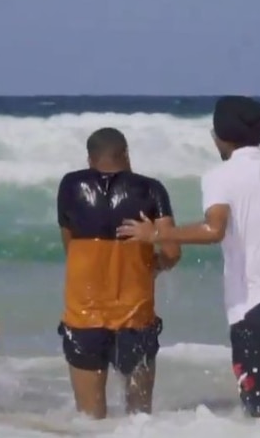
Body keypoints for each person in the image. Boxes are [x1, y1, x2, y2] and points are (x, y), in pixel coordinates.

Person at [116, 95, 260, 419]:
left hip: (254, 311)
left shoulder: (219, 176)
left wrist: (157, 234)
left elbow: (213, 229)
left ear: (220, 136)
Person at [55, 127, 182, 419]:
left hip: (84, 317)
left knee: (90, 421)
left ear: (90, 159)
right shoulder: (151, 189)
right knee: (140, 420)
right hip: (135, 318)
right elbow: (173, 252)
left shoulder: (70, 186)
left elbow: (70, 247)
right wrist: (151, 267)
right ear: (125, 154)